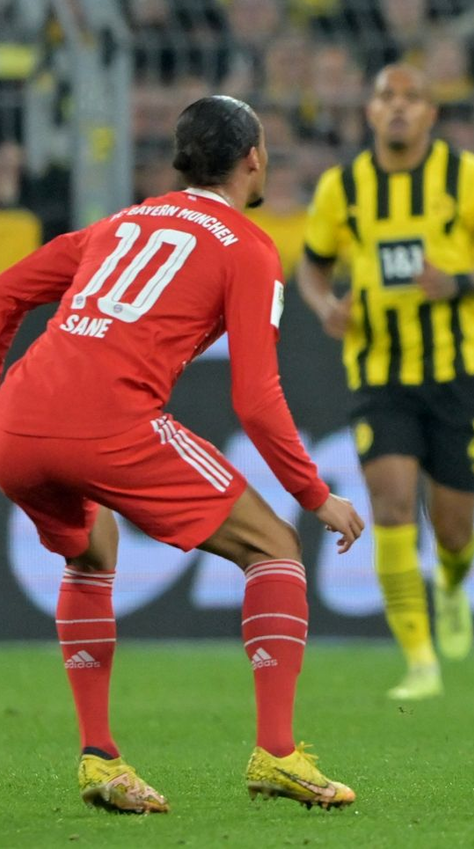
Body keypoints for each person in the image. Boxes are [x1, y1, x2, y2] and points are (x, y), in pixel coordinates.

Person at [0, 96, 363, 813]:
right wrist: (315, 493)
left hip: (16, 420)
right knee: (275, 549)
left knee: (92, 550)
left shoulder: (121, 222)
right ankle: (279, 754)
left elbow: (8, 292)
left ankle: (101, 757)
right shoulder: (249, 248)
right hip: (111, 425)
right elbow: (256, 399)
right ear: (253, 157)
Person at [297, 64, 474, 700]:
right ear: (369, 112)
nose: (398, 108)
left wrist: (459, 282)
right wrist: (326, 309)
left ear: (432, 113)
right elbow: (311, 269)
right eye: (385, 97)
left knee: (453, 529)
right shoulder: (343, 189)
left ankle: (452, 585)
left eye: (412, 98)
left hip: (459, 371)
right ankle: (419, 660)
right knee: (393, 506)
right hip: (379, 372)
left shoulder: (468, 177)